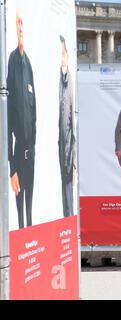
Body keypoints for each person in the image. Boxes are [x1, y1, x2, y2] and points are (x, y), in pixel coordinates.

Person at [7, 10, 37, 229]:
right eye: (17, 27)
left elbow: (34, 111)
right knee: (19, 208)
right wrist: (12, 169)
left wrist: (34, 144)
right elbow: (7, 124)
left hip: (31, 151)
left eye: (22, 27)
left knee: (30, 207)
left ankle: (31, 240)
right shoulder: (12, 63)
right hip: (18, 153)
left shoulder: (29, 66)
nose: (20, 31)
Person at [58, 35, 75, 217]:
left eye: (63, 54)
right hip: (56, 142)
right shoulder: (53, 79)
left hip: (68, 147)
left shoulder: (69, 80)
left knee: (68, 190)